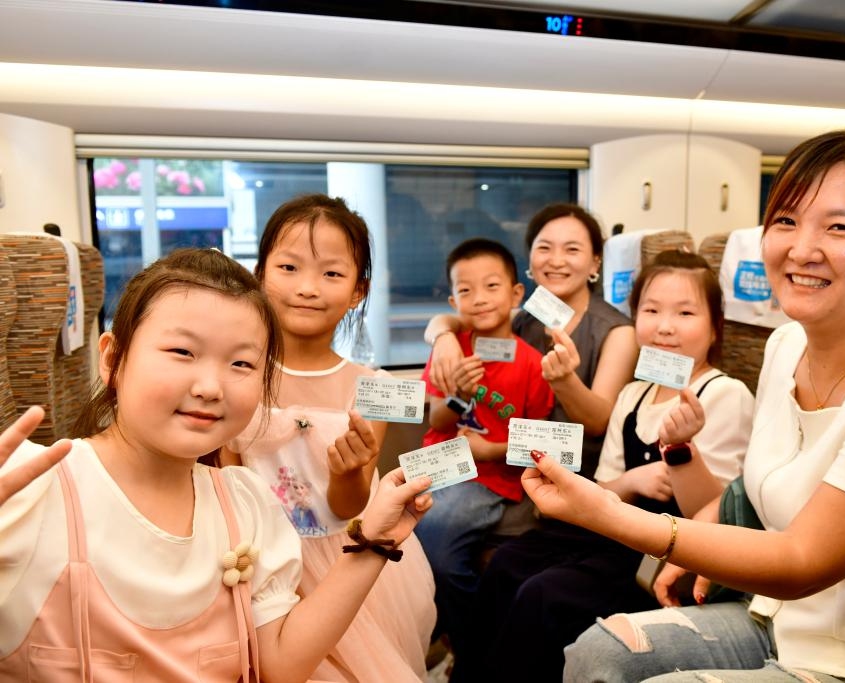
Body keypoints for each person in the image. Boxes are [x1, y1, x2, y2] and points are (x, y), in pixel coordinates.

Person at [522, 129, 845, 683]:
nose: (801, 248)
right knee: (597, 651)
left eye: (840, 227)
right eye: (787, 221)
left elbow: (800, 562)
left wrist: (610, 513)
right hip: (782, 619)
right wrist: (701, 526)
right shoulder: (785, 345)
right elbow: (754, 488)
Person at [0, 248, 433, 682]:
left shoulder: (246, 504)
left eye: (241, 363)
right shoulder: (32, 485)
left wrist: (374, 540)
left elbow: (280, 665)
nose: (210, 387)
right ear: (113, 359)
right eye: (183, 352)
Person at [451, 251, 754, 682]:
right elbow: (604, 486)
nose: (665, 326)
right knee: (509, 563)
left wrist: (681, 448)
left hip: (665, 551)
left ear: (714, 327)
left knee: (545, 594)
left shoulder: (726, 394)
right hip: (610, 528)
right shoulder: (633, 394)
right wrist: (632, 480)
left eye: (685, 313)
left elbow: (716, 516)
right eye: (651, 311)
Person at [220, 195, 436, 682]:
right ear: (260, 273)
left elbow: (351, 505)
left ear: (359, 290)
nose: (307, 288)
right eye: (289, 267)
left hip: (345, 557)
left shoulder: (376, 387)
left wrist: (347, 471)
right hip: (254, 558)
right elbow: (224, 480)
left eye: (331, 274)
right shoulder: (237, 372)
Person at [425, 202, 638, 481]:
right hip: (513, 464)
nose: (556, 260)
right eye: (544, 248)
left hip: (570, 474)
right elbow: (458, 317)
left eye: (572, 249)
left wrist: (565, 381)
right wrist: (444, 338)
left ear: (595, 262)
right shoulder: (527, 315)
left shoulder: (617, 331)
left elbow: (599, 423)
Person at [415, 237, 555, 660]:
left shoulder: (533, 363)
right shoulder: (452, 349)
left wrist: (486, 450)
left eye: (491, 287)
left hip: (489, 475)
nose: (478, 299)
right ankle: (444, 629)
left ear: (515, 294)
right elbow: (437, 420)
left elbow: (536, 440)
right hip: (438, 458)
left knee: (436, 537)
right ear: (453, 298)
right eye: (466, 290)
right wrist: (458, 394)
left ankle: (468, 637)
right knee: (392, 522)